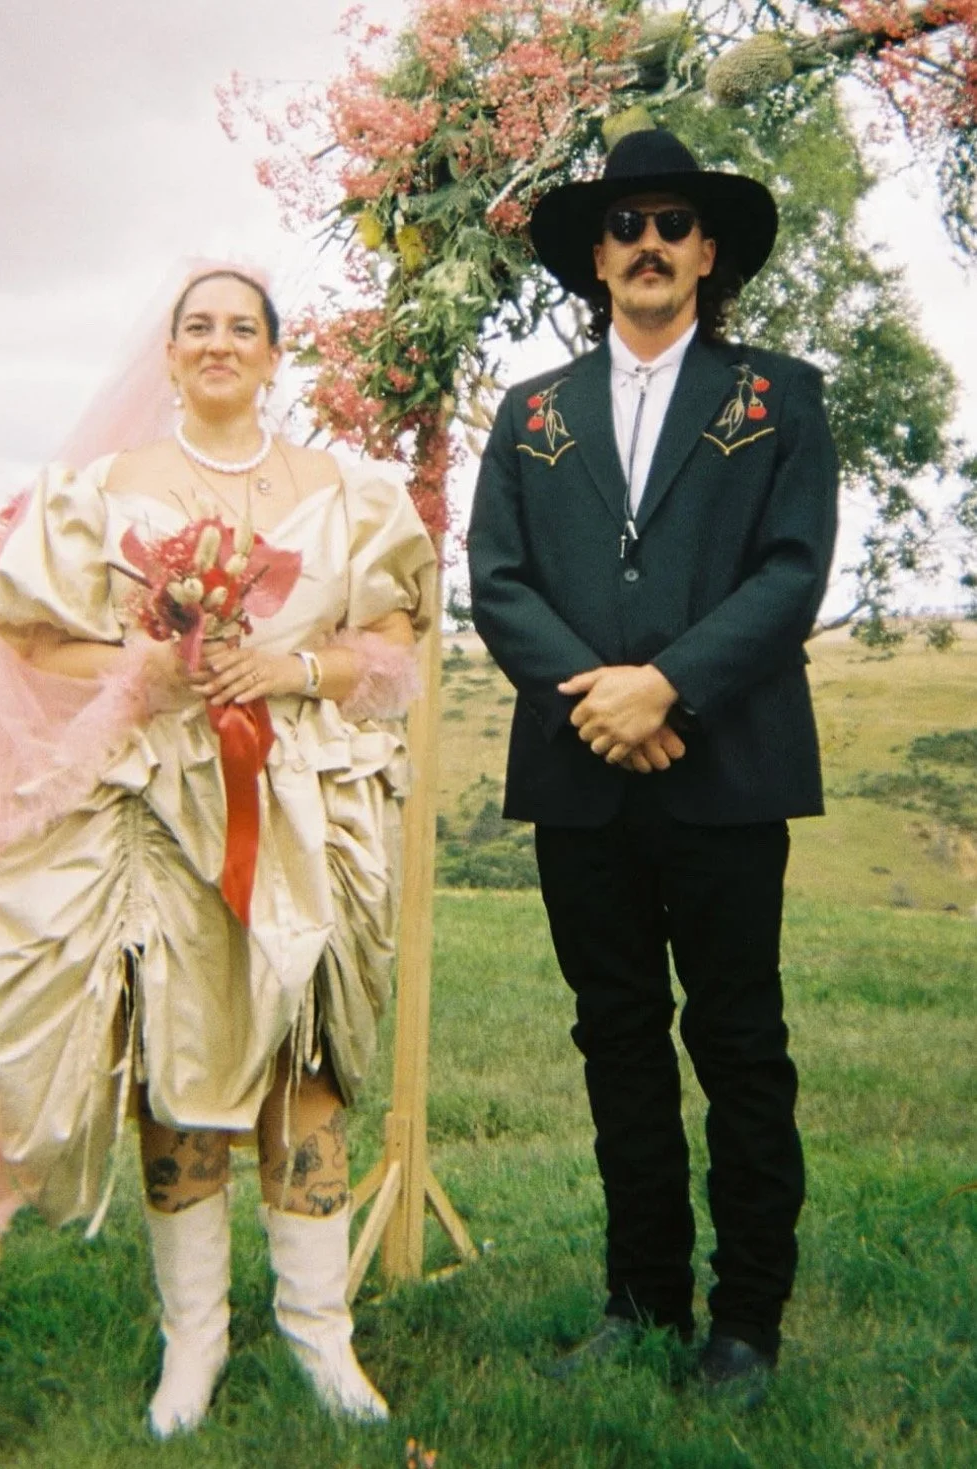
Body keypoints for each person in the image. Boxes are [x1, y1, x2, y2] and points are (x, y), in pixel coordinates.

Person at [0, 264, 437, 1436]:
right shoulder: (103, 490)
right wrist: (147, 671)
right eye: (197, 326)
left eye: (242, 327)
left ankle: (318, 1334)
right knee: (180, 1070)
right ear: (169, 350)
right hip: (159, 812)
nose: (217, 343)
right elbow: (31, 635)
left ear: (274, 352)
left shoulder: (342, 490)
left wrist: (293, 669)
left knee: (309, 1065)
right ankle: (191, 1342)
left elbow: (392, 637)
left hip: (306, 803)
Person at [468, 129, 838, 1397]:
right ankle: (641, 1300)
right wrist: (600, 701)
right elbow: (498, 582)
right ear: (595, 257)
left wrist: (667, 685)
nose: (649, 244)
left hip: (729, 770)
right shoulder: (529, 416)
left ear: (708, 251)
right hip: (582, 777)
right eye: (625, 226)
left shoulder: (778, 397)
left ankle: (746, 1320)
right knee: (615, 1035)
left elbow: (792, 571)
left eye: (673, 222)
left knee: (738, 1038)